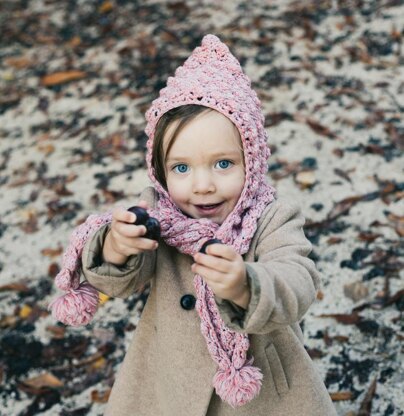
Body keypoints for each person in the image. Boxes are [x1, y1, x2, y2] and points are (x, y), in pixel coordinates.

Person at [49, 34, 337, 415]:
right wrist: (116, 248)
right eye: (182, 168)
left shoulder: (271, 216)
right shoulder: (157, 214)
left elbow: (298, 283)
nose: (203, 186)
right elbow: (120, 283)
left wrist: (245, 284)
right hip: (170, 377)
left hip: (263, 393)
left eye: (223, 164)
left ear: (250, 162)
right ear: (160, 171)